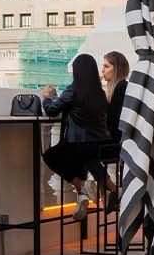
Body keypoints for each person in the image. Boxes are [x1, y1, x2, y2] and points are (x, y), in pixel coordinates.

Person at [42, 53, 112, 220]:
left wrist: (47, 97)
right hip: (100, 145)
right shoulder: (100, 93)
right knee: (88, 160)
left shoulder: (73, 90)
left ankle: (82, 187)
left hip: (79, 144)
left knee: (51, 156)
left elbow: (52, 110)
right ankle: (108, 191)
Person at [101, 50, 130, 139]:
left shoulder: (121, 88)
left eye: (106, 66)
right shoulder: (117, 88)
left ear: (117, 69)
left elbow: (113, 121)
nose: (102, 70)